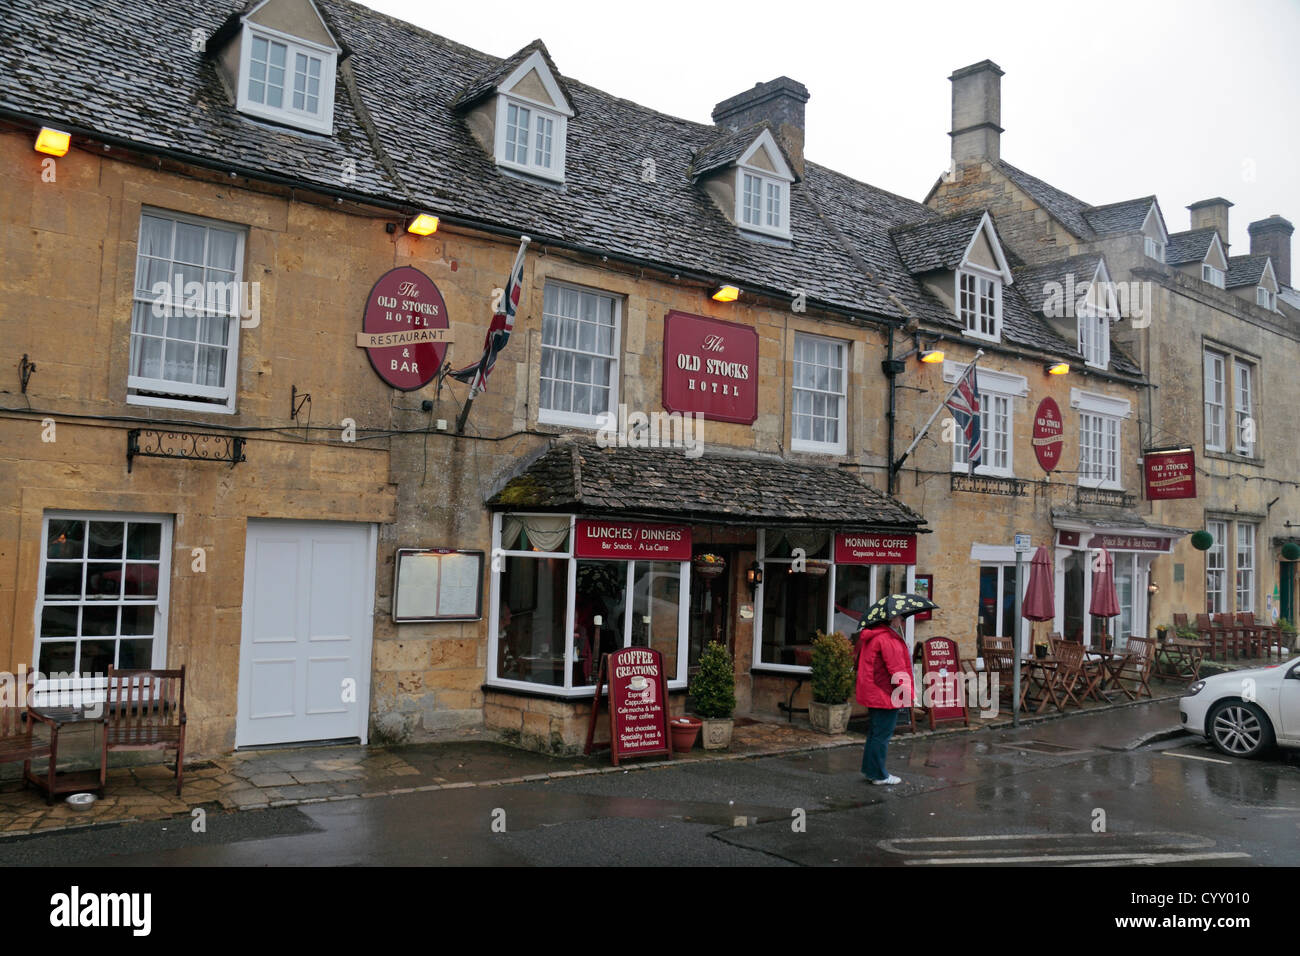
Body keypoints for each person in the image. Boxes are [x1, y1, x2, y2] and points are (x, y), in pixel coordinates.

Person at [856, 614, 914, 785]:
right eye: (900, 618)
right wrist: (908, 692)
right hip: (886, 693)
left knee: (875, 733)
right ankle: (879, 775)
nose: (902, 622)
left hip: (874, 690)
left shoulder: (874, 636)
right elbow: (897, 670)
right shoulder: (888, 639)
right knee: (882, 735)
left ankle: (870, 771)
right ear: (891, 619)